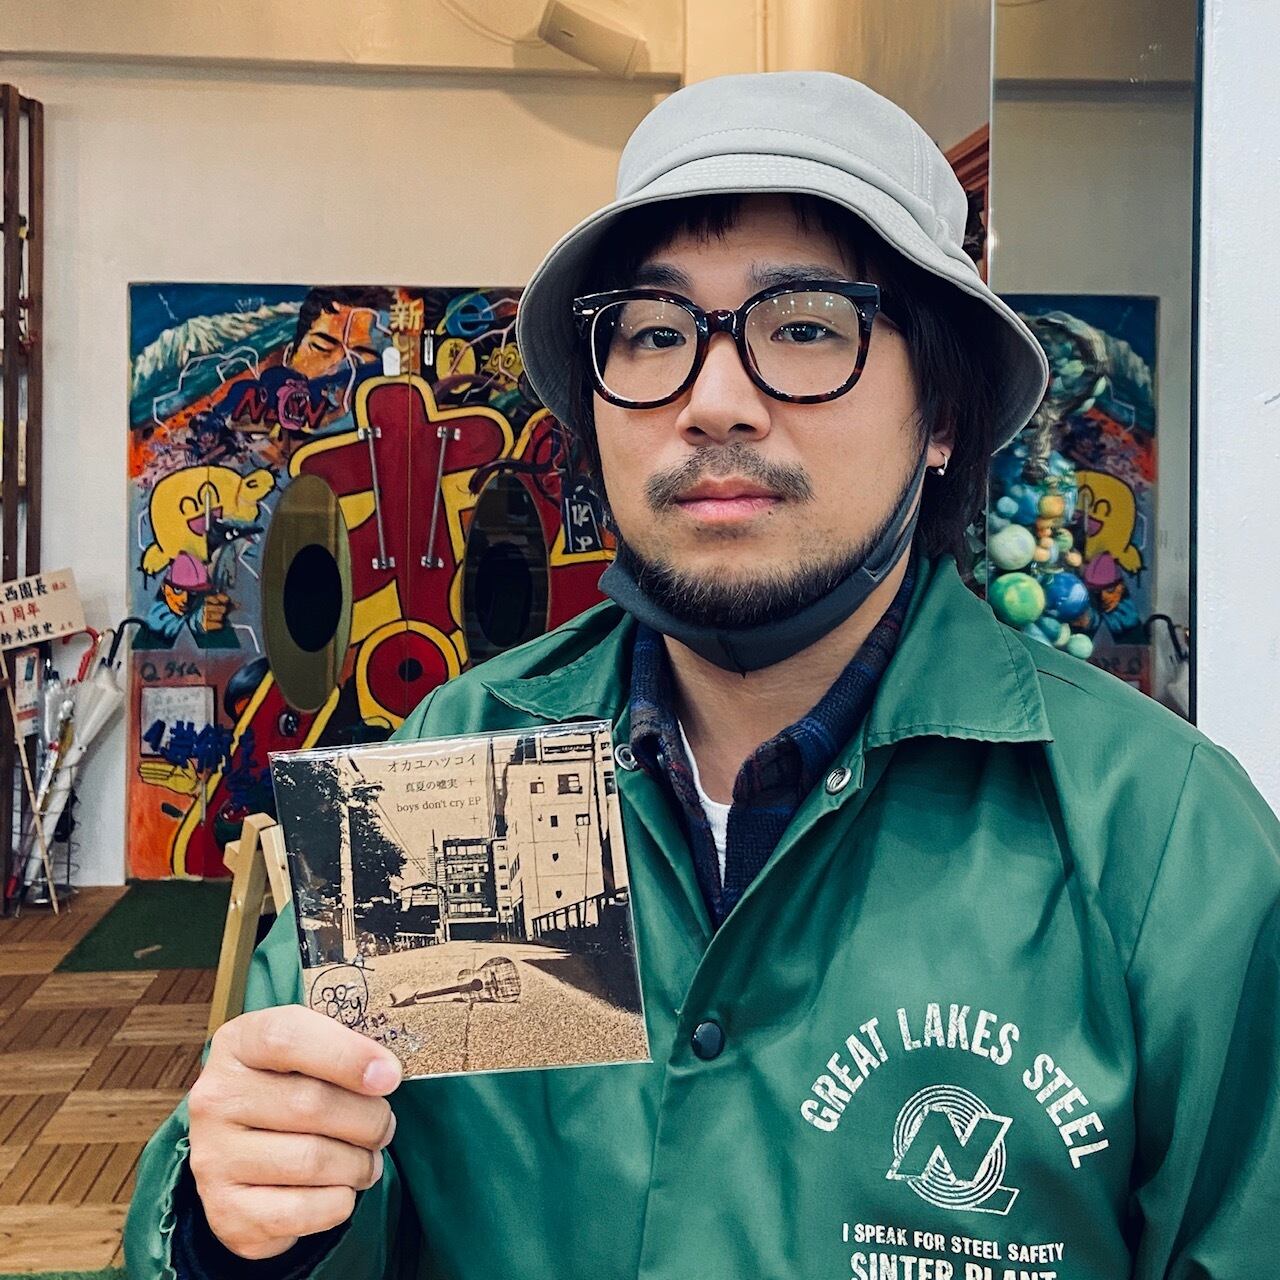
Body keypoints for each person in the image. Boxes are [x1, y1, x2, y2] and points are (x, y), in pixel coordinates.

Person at [125, 72, 1280, 1279]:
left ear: (941, 413)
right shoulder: (463, 767)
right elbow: (342, 1193)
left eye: (805, 327)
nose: (712, 401)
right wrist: (245, 1225)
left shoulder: (1153, 846)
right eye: (654, 333)